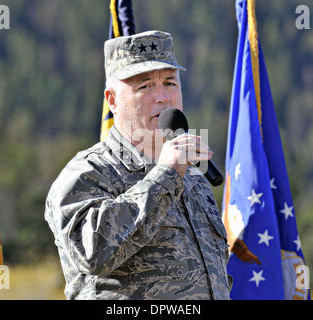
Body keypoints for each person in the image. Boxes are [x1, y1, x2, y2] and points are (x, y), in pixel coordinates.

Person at [45, 30, 232, 300]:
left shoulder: (192, 177)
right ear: (112, 100)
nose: (163, 97)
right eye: (145, 86)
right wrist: (165, 176)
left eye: (170, 83)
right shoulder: (87, 174)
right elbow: (92, 253)